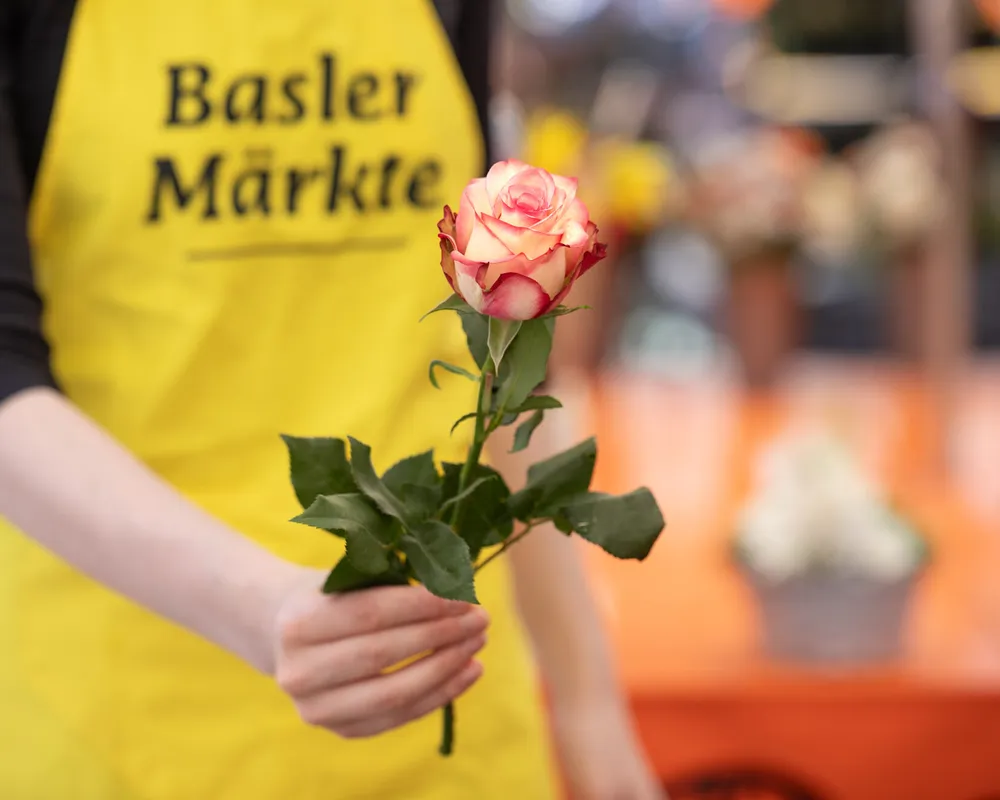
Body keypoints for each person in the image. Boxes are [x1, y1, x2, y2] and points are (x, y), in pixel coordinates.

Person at [0, 1, 664, 798]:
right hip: (123, 719)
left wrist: (590, 709)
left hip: (452, 721)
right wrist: (267, 606)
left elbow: (497, 345)